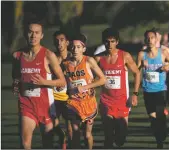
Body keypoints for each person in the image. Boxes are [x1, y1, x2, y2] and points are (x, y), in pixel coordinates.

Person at [12, 20, 66, 149]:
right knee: (25, 144)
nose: (33, 36)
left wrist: (44, 82)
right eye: (30, 32)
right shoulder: (17, 55)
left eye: (37, 33)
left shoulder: (48, 55)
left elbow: (62, 81)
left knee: (47, 145)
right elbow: (16, 76)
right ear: (25, 34)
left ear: (42, 35)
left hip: (46, 107)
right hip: (26, 105)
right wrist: (15, 84)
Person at [95, 27, 140, 148]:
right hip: (106, 100)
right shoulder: (98, 58)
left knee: (121, 138)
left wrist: (135, 94)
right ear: (103, 42)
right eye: (107, 41)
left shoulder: (125, 56)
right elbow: (92, 78)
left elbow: (137, 73)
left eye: (112, 41)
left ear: (117, 42)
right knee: (108, 135)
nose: (109, 44)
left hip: (122, 101)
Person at [63, 33, 106, 149]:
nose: (75, 49)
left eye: (78, 47)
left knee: (87, 135)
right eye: (72, 46)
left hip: (88, 103)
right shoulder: (65, 64)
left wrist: (86, 87)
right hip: (73, 103)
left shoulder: (88, 60)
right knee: (75, 133)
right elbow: (62, 81)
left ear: (84, 48)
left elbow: (103, 79)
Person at [137, 28, 169, 149]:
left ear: (156, 39)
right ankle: (159, 139)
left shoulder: (162, 52)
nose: (149, 40)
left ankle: (161, 133)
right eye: (147, 38)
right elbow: (136, 72)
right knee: (152, 118)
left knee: (159, 115)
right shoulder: (141, 54)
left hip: (160, 89)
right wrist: (141, 65)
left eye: (152, 38)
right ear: (145, 40)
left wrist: (167, 66)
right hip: (148, 90)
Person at [52, 30, 73, 149]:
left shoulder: (72, 57)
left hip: (69, 98)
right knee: (54, 125)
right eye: (56, 40)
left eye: (62, 40)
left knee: (70, 129)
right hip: (53, 97)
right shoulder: (51, 57)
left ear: (67, 42)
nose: (59, 43)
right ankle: (62, 139)